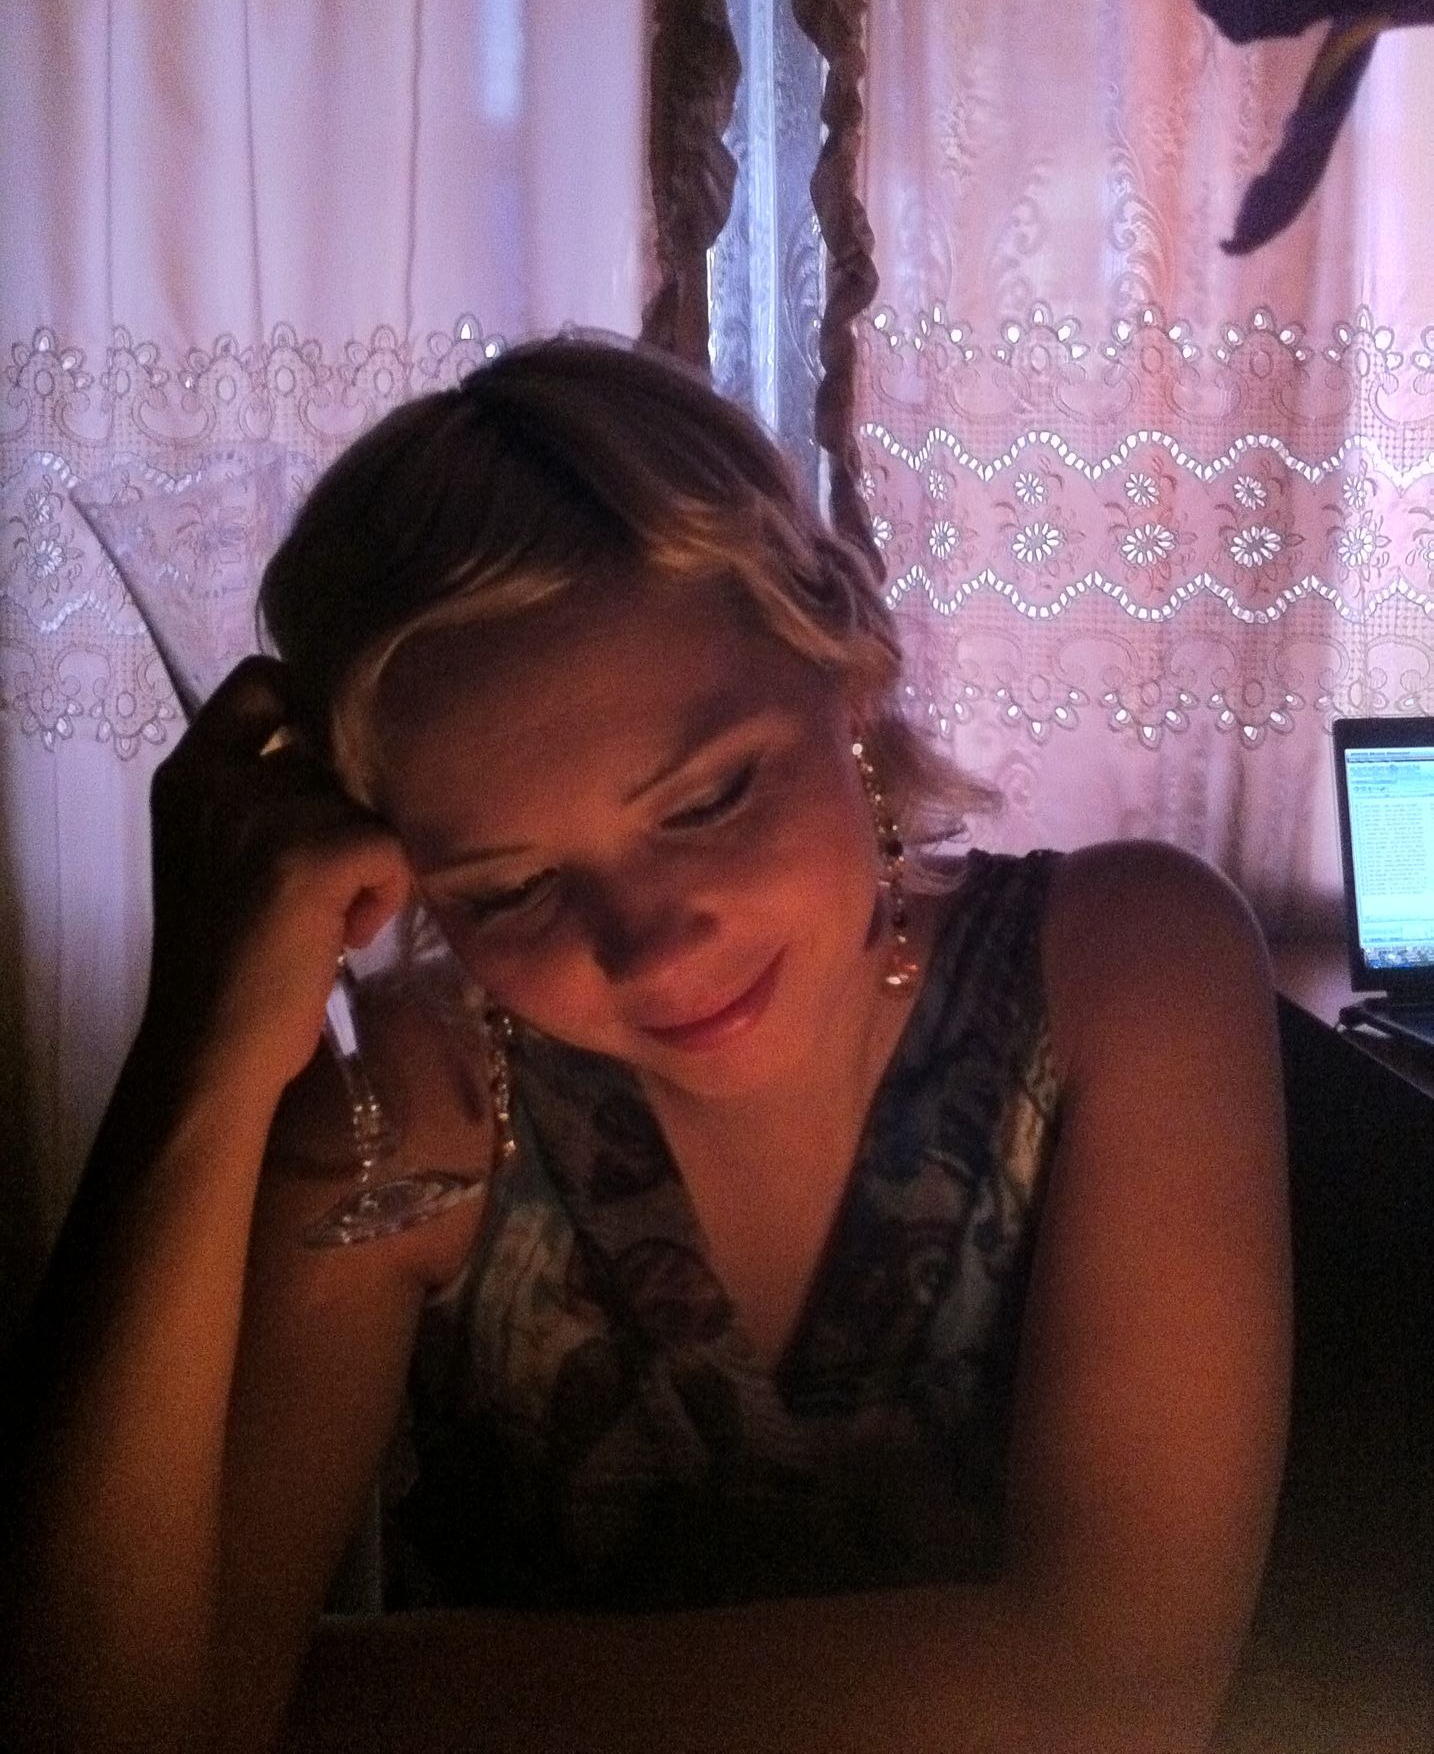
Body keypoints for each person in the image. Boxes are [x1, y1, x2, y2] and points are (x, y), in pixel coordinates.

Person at [0, 335, 1290, 1754]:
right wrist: (199, 1049)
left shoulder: (1124, 968)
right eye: (509, 888)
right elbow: (104, 1722)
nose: (651, 947)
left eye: (708, 798)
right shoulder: (420, 1116)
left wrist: (354, 1695)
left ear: (848, 668)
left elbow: (1115, 1694)